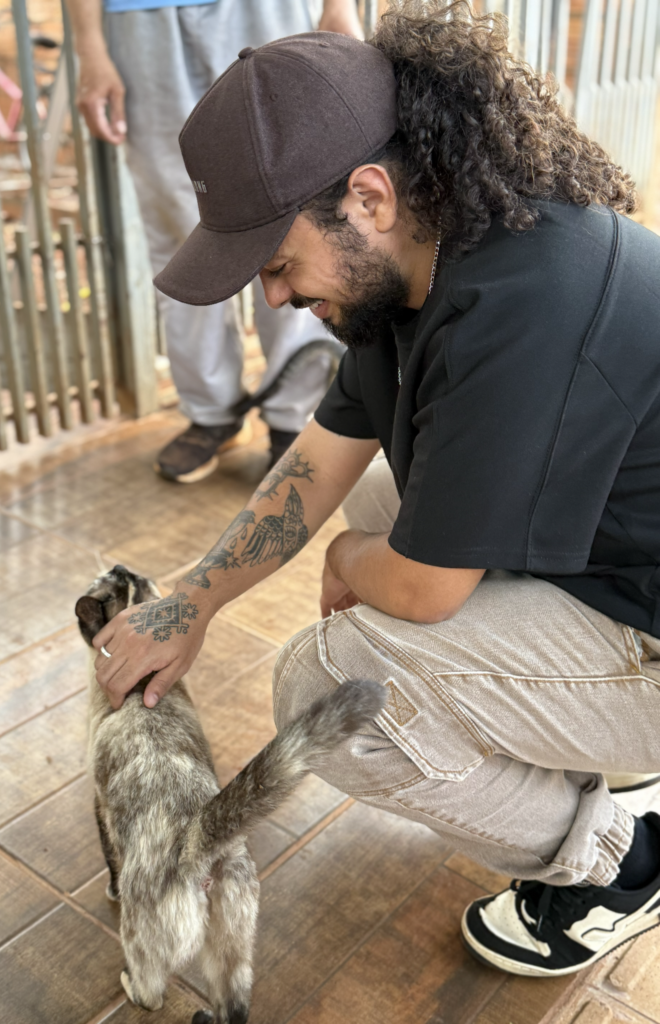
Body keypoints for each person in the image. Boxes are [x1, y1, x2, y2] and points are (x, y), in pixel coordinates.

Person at [91, 2, 660, 979]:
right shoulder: (426, 261)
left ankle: (619, 860)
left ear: (367, 197)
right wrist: (194, 598)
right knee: (377, 493)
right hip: (625, 559)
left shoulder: (520, 306)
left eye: (277, 264)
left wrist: (352, 563)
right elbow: (320, 456)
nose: (270, 297)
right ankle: (588, 750)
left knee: (332, 687)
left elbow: (422, 591)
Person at [66, 0, 363, 482]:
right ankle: (211, 412)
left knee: (295, 209)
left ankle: (294, 418)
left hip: (266, 11)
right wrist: (90, 47)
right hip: (140, 21)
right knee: (179, 228)